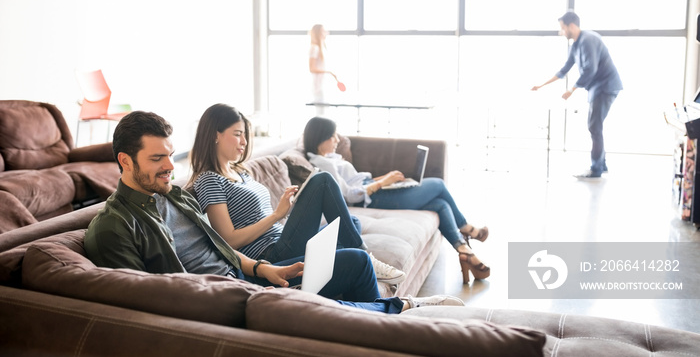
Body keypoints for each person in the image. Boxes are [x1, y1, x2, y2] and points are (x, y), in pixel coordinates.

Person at [84, 111, 460, 314]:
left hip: (251, 274)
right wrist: (249, 284)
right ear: (124, 161)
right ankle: (398, 310)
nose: (169, 166)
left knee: (358, 263)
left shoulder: (176, 196)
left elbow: (224, 249)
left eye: (170, 154)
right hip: (226, 297)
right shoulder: (114, 227)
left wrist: (264, 269)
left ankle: (377, 318)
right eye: (157, 158)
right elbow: (140, 302)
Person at [187, 103, 406, 285]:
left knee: (352, 223)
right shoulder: (209, 180)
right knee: (322, 181)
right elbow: (229, 241)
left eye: (245, 135)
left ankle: (338, 253)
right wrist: (276, 215)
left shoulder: (240, 171)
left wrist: (286, 215)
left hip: (281, 238)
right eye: (237, 135)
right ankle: (365, 256)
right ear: (216, 135)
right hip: (270, 254)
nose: (244, 142)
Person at [302, 116, 491, 284]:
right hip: (372, 198)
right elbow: (348, 195)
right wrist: (383, 182)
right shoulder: (323, 164)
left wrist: (384, 179)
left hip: (375, 189)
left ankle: (464, 249)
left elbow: (355, 180)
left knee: (440, 204)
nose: (337, 140)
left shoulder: (330, 157)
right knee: (438, 185)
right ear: (320, 137)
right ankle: (466, 228)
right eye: (333, 136)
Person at [531, 11, 623, 180]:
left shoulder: (589, 40)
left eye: (563, 28)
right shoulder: (575, 45)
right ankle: (601, 164)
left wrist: (572, 89)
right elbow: (565, 69)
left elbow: (591, 69)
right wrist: (542, 85)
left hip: (605, 86)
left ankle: (596, 169)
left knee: (594, 126)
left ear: (571, 26)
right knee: (595, 126)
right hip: (597, 87)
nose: (561, 32)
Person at [308, 24, 340, 115]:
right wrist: (329, 72)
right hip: (318, 85)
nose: (326, 33)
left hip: (322, 84)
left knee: (324, 110)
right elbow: (312, 68)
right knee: (320, 112)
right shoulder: (314, 48)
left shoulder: (322, 48)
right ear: (318, 33)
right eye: (323, 31)